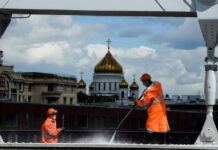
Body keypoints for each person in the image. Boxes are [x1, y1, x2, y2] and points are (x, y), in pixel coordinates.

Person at [135, 73, 170, 143]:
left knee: (150, 126)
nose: (142, 84)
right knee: (162, 125)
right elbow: (153, 85)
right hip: (162, 109)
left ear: (146, 81)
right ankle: (163, 143)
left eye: (143, 82)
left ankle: (148, 142)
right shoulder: (157, 84)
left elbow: (144, 103)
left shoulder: (149, 92)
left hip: (154, 111)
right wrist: (146, 90)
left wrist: (137, 102)